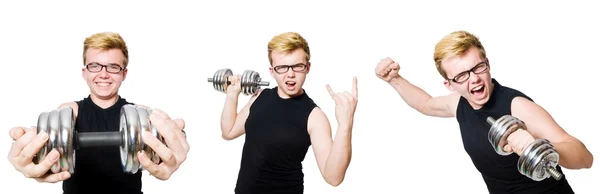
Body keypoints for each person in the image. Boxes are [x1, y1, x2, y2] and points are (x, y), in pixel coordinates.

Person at [374, 30, 594, 194]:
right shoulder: (458, 104)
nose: (474, 79)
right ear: (449, 84)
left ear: (487, 64)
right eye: (461, 75)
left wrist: (536, 146)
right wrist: (394, 80)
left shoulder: (517, 106)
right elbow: (424, 103)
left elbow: (585, 158)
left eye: (478, 67)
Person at [7, 32, 190, 194]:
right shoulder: (71, 111)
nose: (103, 74)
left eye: (113, 67)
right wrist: (32, 149)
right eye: (95, 66)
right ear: (84, 72)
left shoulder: (139, 114)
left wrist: (172, 152)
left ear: (124, 74)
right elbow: (52, 136)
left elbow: (160, 154)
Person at [219, 32, 358, 194]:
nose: (290, 74)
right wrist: (231, 95)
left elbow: (333, 177)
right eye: (282, 67)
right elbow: (228, 132)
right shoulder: (259, 97)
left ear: (307, 68)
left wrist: (345, 125)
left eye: (297, 66)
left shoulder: (314, 117)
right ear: (272, 71)